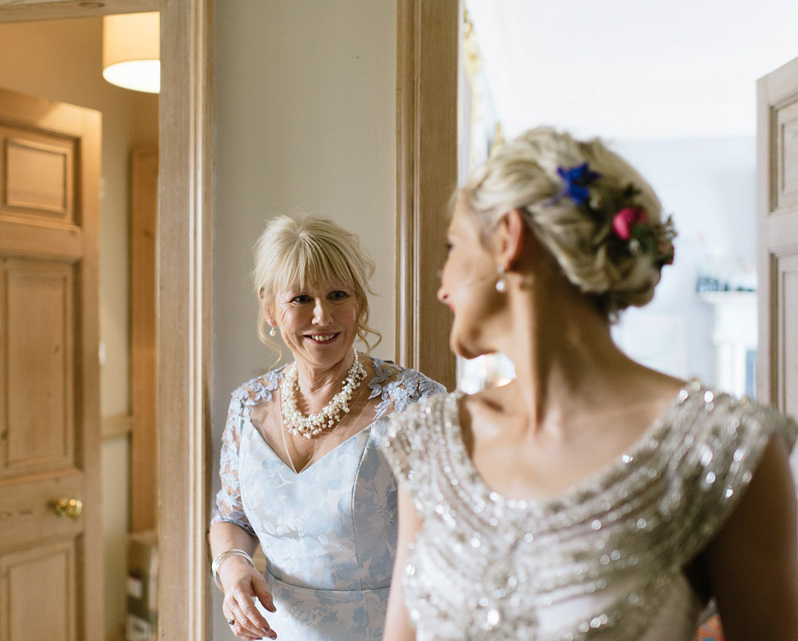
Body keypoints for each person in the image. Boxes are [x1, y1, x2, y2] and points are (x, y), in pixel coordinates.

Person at [380, 127, 798, 641]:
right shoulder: (428, 440)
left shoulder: (722, 446)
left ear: (509, 239)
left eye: (452, 245)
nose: (441, 284)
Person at [210, 215, 445, 641]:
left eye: (338, 295)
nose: (322, 316)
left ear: (359, 303)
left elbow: (447, 546)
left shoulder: (414, 404)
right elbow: (231, 516)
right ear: (269, 309)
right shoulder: (248, 406)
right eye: (301, 298)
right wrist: (233, 567)